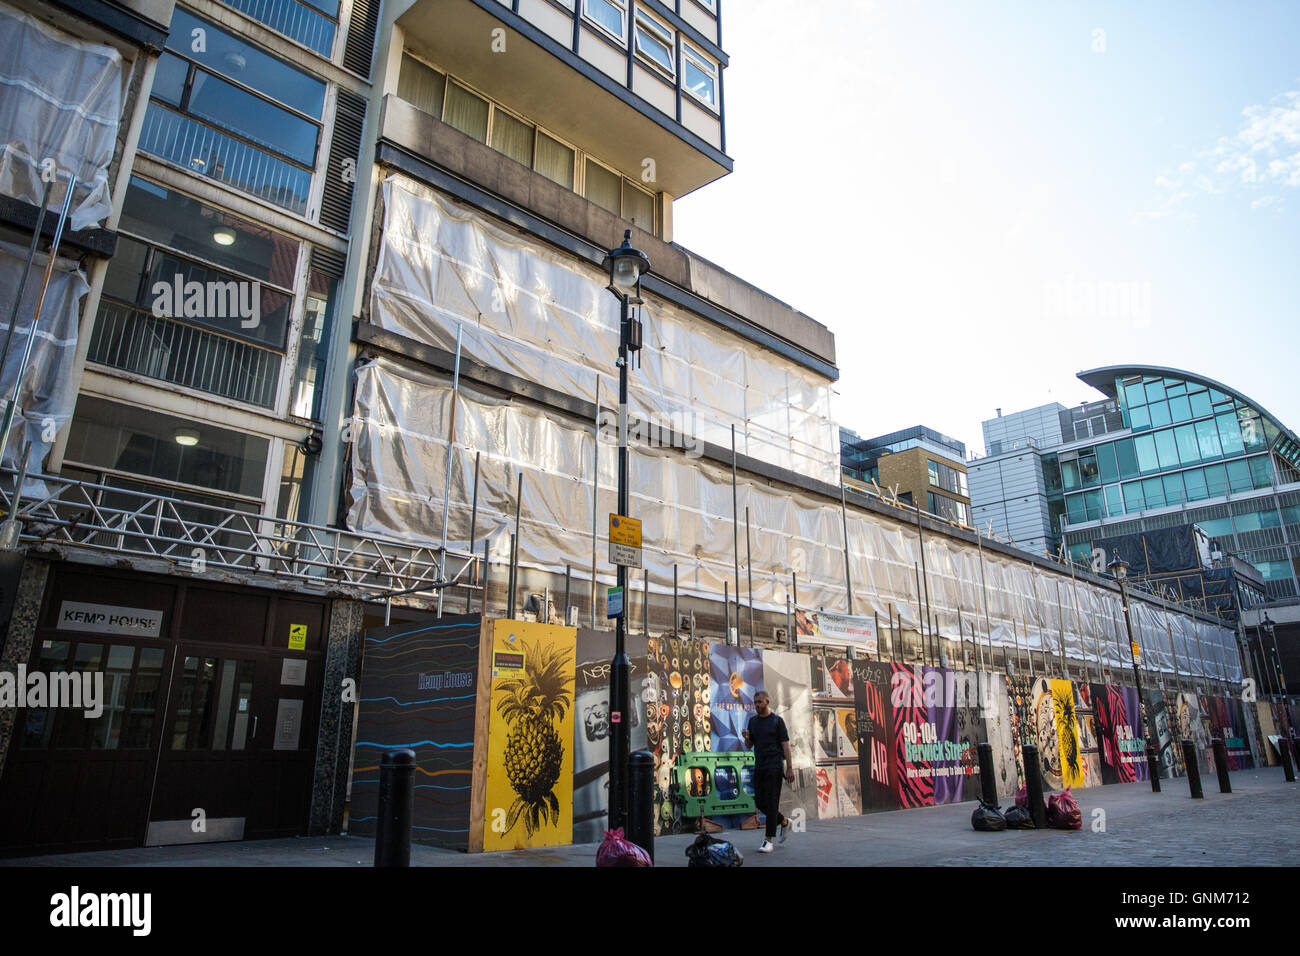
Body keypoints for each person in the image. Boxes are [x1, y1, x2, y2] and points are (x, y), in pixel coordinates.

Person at [742, 690, 794, 853]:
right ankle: (784, 821)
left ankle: (768, 840)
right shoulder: (753, 722)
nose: (757, 705)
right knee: (760, 803)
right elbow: (750, 746)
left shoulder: (777, 721)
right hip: (760, 766)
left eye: (760, 702)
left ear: (767, 702)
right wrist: (746, 738)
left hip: (774, 766)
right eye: (755, 702)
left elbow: (785, 745)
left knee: (772, 802)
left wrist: (790, 768)